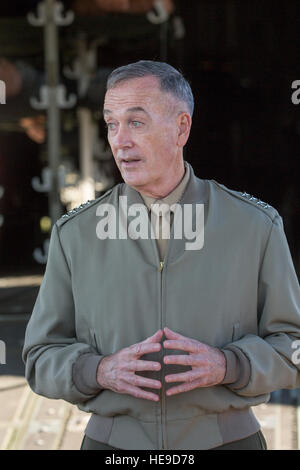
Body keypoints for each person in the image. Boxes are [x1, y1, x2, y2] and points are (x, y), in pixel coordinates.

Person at [23, 60, 300, 450]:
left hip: (228, 442)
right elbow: (38, 357)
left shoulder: (255, 226)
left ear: (181, 128)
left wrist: (229, 365)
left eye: (136, 122)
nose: (119, 140)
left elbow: (293, 344)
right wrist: (98, 370)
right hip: (112, 448)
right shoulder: (76, 236)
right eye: (111, 123)